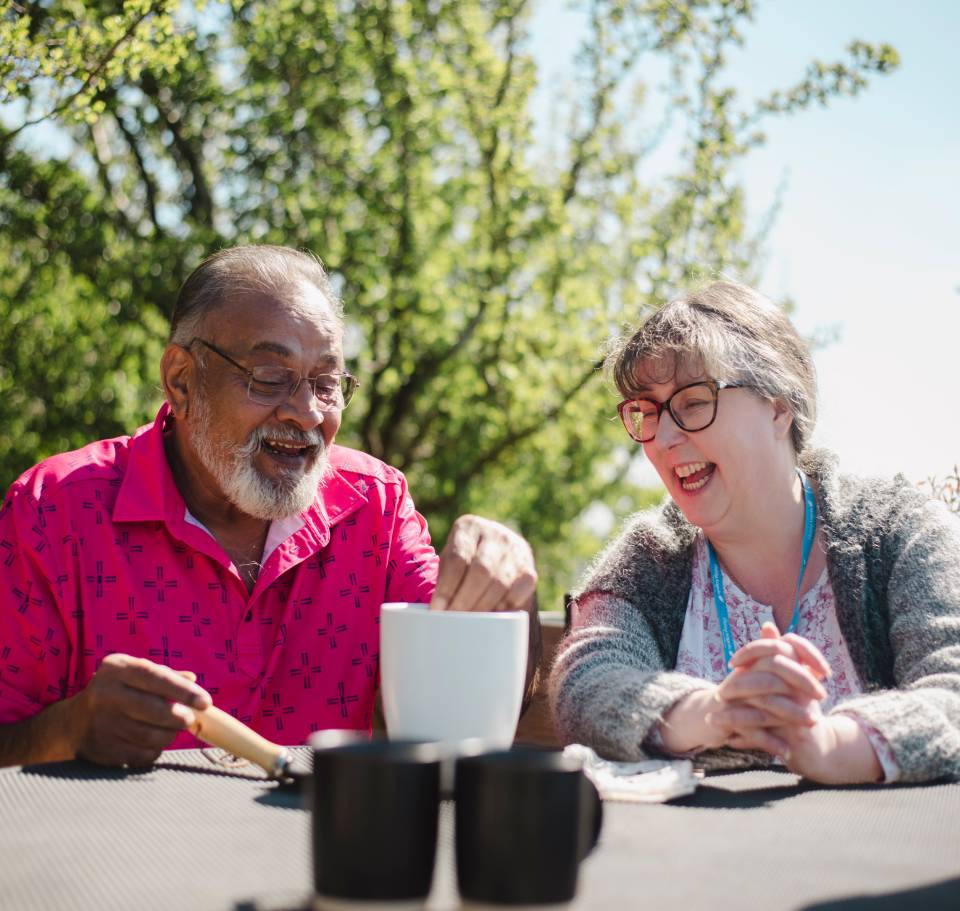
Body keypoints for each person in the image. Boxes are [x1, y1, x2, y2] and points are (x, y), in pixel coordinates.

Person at [0, 245, 540, 768]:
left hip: (316, 851)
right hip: (121, 853)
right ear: (181, 380)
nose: (306, 412)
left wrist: (509, 582)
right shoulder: (54, 511)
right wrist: (70, 730)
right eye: (268, 377)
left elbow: (475, 674)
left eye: (326, 383)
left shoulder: (373, 506)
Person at [549, 280, 960, 784]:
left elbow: (953, 691)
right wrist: (716, 713)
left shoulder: (899, 531)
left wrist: (829, 745)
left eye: (694, 402)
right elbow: (586, 682)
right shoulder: (650, 556)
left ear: (779, 406)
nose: (663, 437)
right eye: (647, 412)